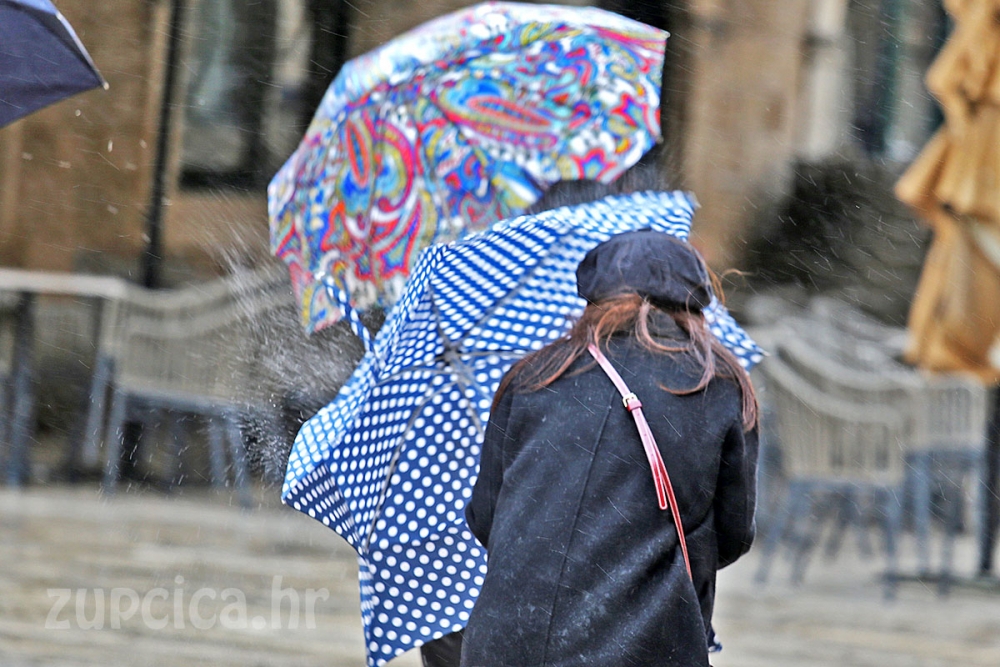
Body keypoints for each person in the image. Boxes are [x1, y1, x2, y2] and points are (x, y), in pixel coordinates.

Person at [460, 230, 760, 667]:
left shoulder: (532, 376)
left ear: (593, 301)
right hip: (640, 645)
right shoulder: (717, 388)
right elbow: (732, 534)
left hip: (505, 643)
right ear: (692, 307)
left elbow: (486, 518)